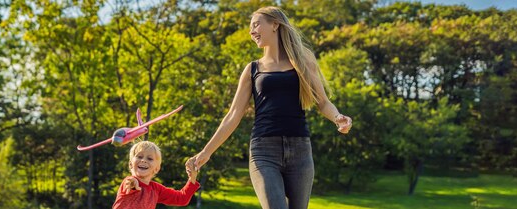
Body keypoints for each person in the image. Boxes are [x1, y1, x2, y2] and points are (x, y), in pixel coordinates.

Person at [185, 6, 353, 209]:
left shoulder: (304, 60)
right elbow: (233, 115)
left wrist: (338, 117)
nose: (251, 31)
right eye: (250, 27)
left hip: (300, 150)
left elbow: (323, 102)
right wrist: (206, 152)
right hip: (264, 151)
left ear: (275, 24)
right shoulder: (253, 69)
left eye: (256, 24)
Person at [113, 141, 199, 209]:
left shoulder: (156, 189)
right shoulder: (128, 182)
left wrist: (192, 177)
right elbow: (129, 183)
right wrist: (132, 182)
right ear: (131, 164)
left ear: (157, 168)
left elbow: (181, 198)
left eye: (149, 158)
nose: (143, 160)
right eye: (139, 157)